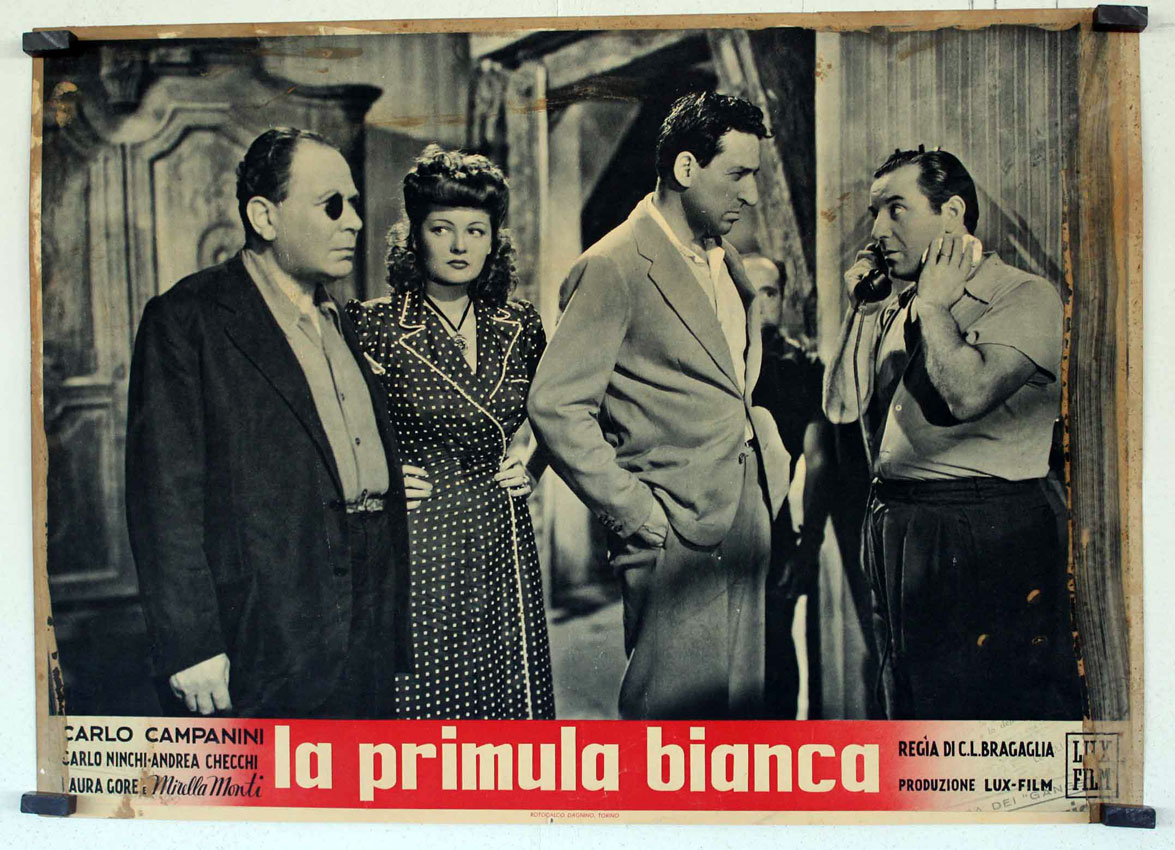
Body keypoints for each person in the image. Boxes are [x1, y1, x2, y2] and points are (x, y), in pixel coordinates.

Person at [125, 127, 411, 719]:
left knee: (358, 771)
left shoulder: (339, 317)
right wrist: (191, 644)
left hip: (369, 604)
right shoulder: (186, 319)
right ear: (264, 216)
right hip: (268, 625)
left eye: (354, 203)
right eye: (332, 205)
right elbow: (162, 497)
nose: (356, 221)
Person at [528, 91, 790, 720]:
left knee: (741, 723)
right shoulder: (613, 265)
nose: (752, 194)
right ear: (685, 168)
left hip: (746, 514)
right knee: (672, 727)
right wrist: (635, 510)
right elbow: (556, 405)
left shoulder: (726, 260)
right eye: (738, 174)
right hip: (671, 528)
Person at [822, 147, 1084, 720]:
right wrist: (862, 311)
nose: (877, 231)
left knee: (971, 710)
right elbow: (840, 407)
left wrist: (936, 308)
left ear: (953, 213)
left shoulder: (1023, 295)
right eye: (873, 213)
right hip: (896, 525)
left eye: (896, 209)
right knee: (905, 701)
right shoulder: (899, 302)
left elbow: (968, 394)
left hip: (977, 527)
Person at [346, 145, 555, 720]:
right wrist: (381, 476)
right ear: (415, 237)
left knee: (506, 700)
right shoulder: (372, 323)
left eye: (475, 231)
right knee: (430, 701)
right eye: (442, 229)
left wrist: (533, 464)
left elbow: (563, 409)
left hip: (501, 531)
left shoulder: (520, 323)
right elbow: (331, 428)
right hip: (419, 534)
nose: (460, 245)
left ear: (493, 242)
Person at [745, 255, 834, 719]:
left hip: (776, 530)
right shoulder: (711, 365)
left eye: (770, 292)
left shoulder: (802, 369)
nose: (761, 303)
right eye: (750, 292)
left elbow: (818, 460)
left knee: (777, 653)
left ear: (783, 299)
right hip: (713, 530)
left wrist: (809, 545)